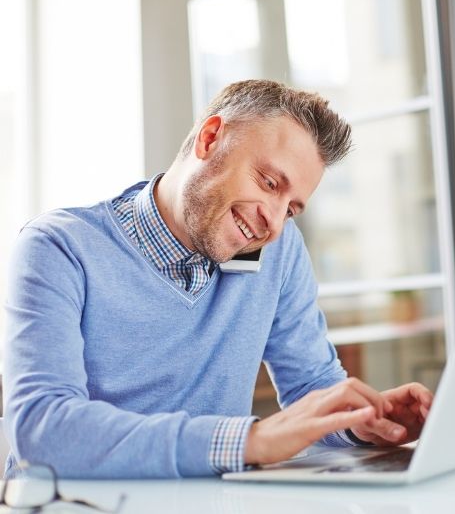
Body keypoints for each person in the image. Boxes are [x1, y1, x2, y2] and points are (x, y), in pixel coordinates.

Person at [3, 80, 433, 478]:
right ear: (210, 139)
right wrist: (250, 441)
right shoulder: (60, 247)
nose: (275, 222)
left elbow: (312, 388)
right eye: (268, 182)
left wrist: (365, 421)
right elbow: (43, 430)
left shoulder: (278, 253)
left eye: (292, 208)